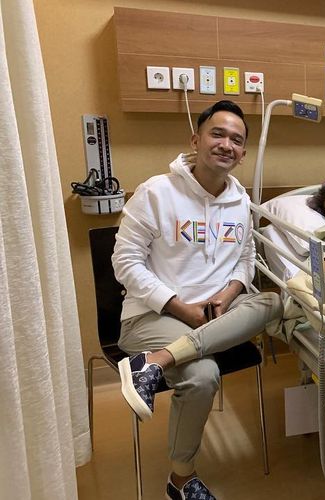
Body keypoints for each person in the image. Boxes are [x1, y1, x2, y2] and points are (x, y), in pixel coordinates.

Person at [112, 100, 282, 499]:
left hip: (216, 312)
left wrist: (228, 294)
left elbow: (245, 258)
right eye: (217, 134)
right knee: (203, 376)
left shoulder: (240, 201)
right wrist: (179, 307)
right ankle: (181, 480)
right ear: (196, 140)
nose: (226, 144)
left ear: (242, 154)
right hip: (153, 314)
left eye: (236, 140)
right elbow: (125, 261)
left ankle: (155, 362)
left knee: (274, 302)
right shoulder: (156, 193)